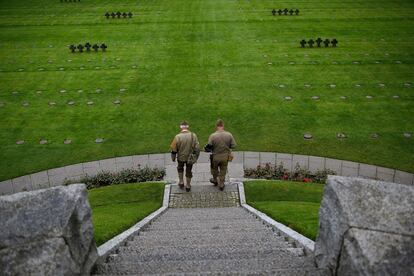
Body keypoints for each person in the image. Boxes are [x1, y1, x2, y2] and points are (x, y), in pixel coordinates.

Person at [205, 119, 237, 191]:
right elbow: (234, 146)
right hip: (225, 157)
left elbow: (208, 148)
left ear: (216, 126)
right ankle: (221, 184)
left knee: (214, 169)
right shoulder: (229, 135)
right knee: (223, 170)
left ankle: (215, 180)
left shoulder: (212, 136)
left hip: (215, 157)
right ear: (223, 125)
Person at [170, 121, 200, 192]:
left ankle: (181, 182)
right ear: (188, 126)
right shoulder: (193, 135)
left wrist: (173, 158)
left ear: (181, 127)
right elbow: (197, 148)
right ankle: (188, 185)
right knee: (189, 171)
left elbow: (173, 149)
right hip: (190, 158)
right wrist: (196, 157)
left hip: (180, 157)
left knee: (180, 168)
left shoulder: (177, 137)